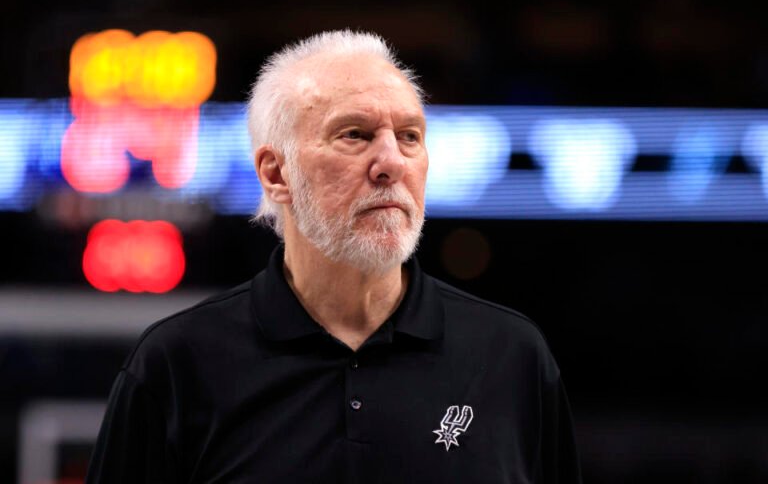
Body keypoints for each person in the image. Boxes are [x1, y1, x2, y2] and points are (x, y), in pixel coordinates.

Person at [86, 29, 581, 483]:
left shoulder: (511, 356)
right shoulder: (176, 366)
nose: (391, 162)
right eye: (355, 135)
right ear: (276, 174)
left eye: (409, 136)